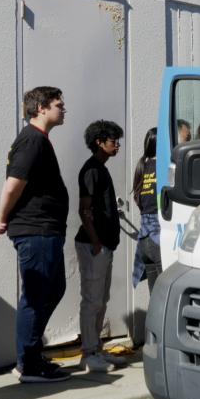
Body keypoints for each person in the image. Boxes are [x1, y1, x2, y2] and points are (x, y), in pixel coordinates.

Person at [0, 86, 71, 384]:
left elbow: (22, 187)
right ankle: (29, 365)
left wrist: (4, 215)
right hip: (37, 231)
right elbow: (13, 186)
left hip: (45, 231)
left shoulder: (37, 140)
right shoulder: (32, 140)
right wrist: (3, 219)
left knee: (53, 290)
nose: (64, 109)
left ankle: (29, 356)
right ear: (42, 108)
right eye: (59, 104)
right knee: (35, 297)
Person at [73, 120, 127, 373]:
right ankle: (88, 354)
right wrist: (96, 242)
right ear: (99, 142)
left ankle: (95, 349)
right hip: (94, 246)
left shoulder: (101, 168)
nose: (118, 144)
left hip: (104, 245)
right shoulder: (92, 170)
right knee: (92, 301)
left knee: (101, 300)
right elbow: (84, 209)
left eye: (118, 140)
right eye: (113, 140)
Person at [132, 128, 161, 293]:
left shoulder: (142, 166)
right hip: (159, 237)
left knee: (155, 297)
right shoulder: (163, 167)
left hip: (144, 240)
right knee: (165, 300)